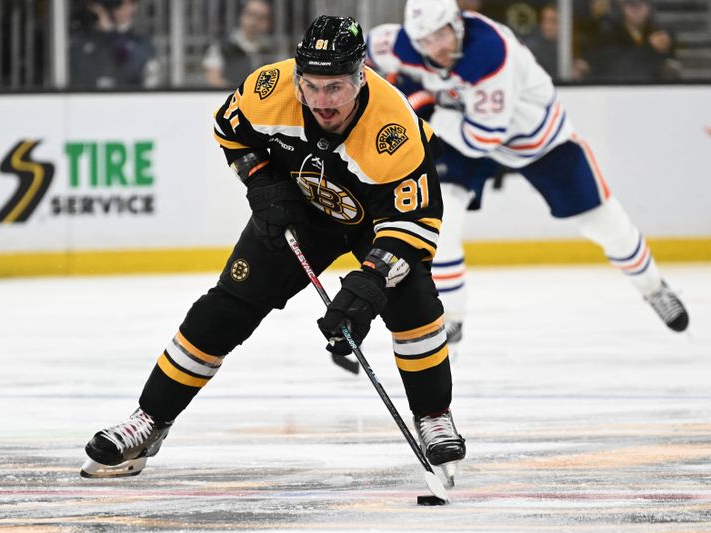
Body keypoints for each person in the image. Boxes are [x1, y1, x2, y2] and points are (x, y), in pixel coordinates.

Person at [80, 15, 466, 482]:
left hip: (378, 224)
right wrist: (262, 183)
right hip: (299, 212)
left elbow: (415, 226)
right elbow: (231, 130)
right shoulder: (269, 88)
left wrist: (368, 285)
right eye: (312, 86)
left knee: (415, 300)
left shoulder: (394, 130)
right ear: (298, 78)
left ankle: (432, 416)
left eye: (337, 88)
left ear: (361, 77)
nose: (323, 102)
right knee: (224, 308)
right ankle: (149, 421)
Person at [365, 0, 689, 347]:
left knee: (603, 223)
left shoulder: (489, 52)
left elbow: (482, 138)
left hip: (536, 142)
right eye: (424, 40)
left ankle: (653, 287)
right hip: (462, 131)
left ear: (457, 25)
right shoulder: (401, 42)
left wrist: (419, 106)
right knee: (442, 218)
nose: (435, 48)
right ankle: (451, 318)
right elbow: (363, 52)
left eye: (440, 36)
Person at [69, 0, 160, 89]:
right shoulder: (86, 39)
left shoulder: (140, 41)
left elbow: (132, 64)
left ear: (134, 7)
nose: (116, 8)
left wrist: (110, 31)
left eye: (120, 3)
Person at [590, 0, 680, 81]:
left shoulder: (660, 33)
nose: (636, 10)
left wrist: (669, 66)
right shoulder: (608, 33)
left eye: (642, 3)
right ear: (622, 7)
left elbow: (670, 66)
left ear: (649, 7)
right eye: (631, 4)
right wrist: (649, 47)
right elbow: (617, 67)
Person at [202, 0, 278, 88]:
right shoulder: (221, 47)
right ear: (241, 15)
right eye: (251, 14)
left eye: (261, 17)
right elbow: (213, 80)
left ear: (268, 23)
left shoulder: (271, 50)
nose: (254, 21)